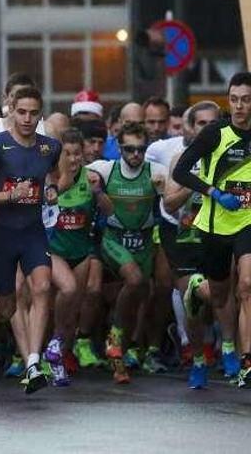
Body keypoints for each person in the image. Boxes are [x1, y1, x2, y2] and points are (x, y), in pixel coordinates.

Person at [0, 86, 62, 394]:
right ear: (11, 110)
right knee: (6, 306)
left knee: (43, 287)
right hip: (1, 234)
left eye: (33, 113)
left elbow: (55, 175)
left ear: (40, 114)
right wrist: (10, 194)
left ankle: (33, 362)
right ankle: (28, 358)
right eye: (21, 112)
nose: (27, 118)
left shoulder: (50, 147)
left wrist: (50, 187)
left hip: (32, 231)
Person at [174, 72, 251, 388]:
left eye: (246, 100)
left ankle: (245, 358)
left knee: (247, 285)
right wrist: (215, 193)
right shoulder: (216, 134)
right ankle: (198, 287)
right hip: (215, 223)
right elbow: (181, 172)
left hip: (248, 221)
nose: (239, 107)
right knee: (219, 294)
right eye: (234, 99)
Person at [87, 122, 167, 384]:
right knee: (133, 280)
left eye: (140, 149)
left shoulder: (156, 171)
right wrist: (94, 186)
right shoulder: (105, 169)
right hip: (115, 240)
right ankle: (115, 337)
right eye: (129, 149)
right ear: (119, 147)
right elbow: (70, 170)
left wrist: (166, 189)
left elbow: (182, 185)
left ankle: (120, 357)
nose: (135, 155)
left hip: (143, 243)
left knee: (139, 295)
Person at [162, 101, 224, 388]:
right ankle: (198, 357)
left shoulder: (235, 156)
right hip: (188, 240)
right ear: (191, 127)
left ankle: (233, 352)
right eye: (202, 124)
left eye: (213, 123)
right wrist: (194, 183)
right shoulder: (182, 159)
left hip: (223, 235)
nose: (208, 129)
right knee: (194, 300)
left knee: (234, 293)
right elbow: (169, 203)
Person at [46, 128, 111, 386]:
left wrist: (97, 193)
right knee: (66, 292)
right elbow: (45, 204)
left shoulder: (91, 178)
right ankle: (51, 344)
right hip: (53, 250)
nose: (73, 160)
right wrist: (64, 181)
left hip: (81, 252)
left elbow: (109, 210)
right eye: (68, 154)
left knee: (72, 310)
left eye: (77, 154)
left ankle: (58, 358)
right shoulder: (50, 179)